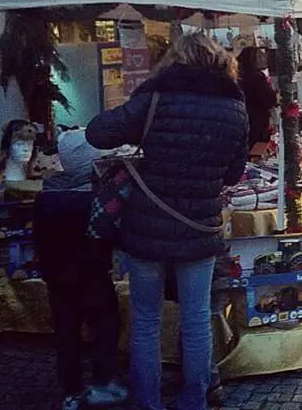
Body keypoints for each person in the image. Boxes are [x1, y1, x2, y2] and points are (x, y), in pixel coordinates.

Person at [86, 33, 248, 410]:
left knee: (146, 320)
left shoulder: (156, 97)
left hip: (147, 226)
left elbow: (97, 133)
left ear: (175, 60)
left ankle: (148, 402)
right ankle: (195, 401)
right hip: (199, 228)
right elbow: (233, 174)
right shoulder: (234, 107)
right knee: (195, 320)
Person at [34, 130, 126, 410]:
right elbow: (108, 235)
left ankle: (72, 388)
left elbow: (39, 240)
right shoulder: (95, 199)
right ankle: (102, 381)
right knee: (105, 325)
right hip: (92, 275)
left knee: (67, 331)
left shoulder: (46, 197)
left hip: (57, 276)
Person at [237, 46, 278, 147]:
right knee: (255, 152)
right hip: (256, 122)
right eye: (260, 57)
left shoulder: (236, 73)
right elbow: (268, 99)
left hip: (240, 119)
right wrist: (275, 95)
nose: (263, 60)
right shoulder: (255, 77)